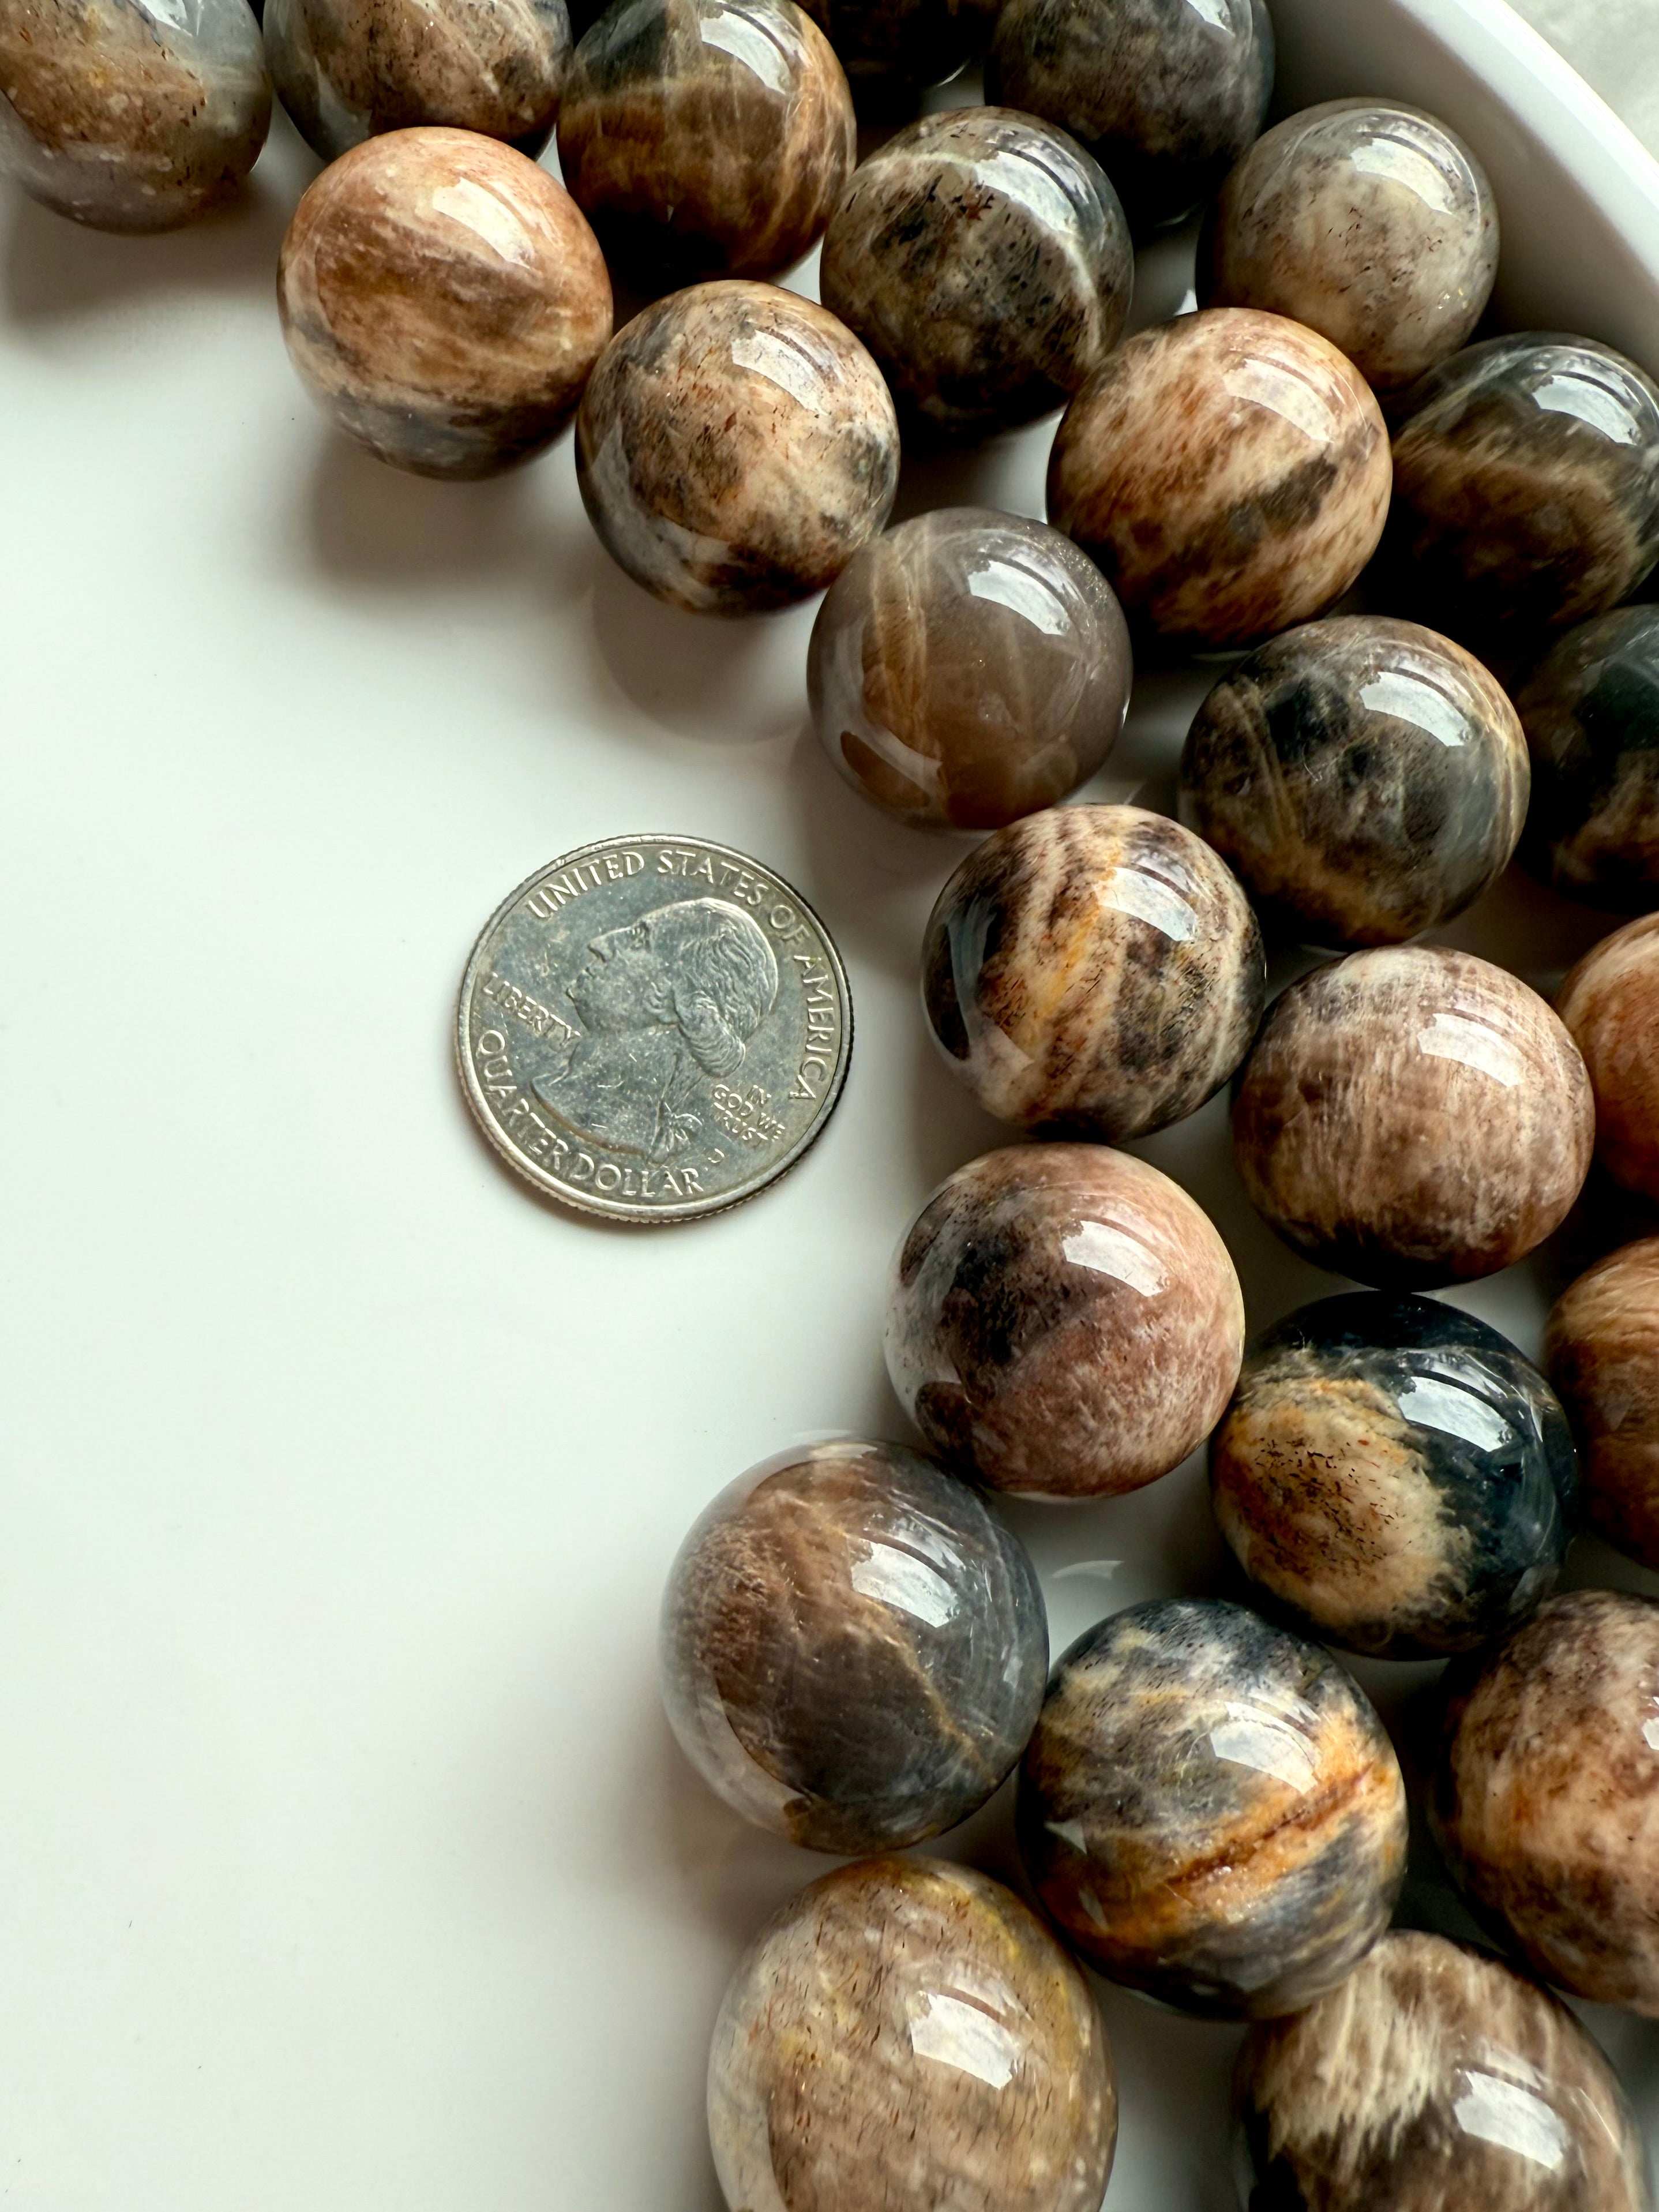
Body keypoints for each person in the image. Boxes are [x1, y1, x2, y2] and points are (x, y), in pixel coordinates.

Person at [535, 897, 780, 1163]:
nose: (600, 944)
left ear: (675, 1003)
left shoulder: (599, 1119)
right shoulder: (562, 1092)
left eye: (639, 939)